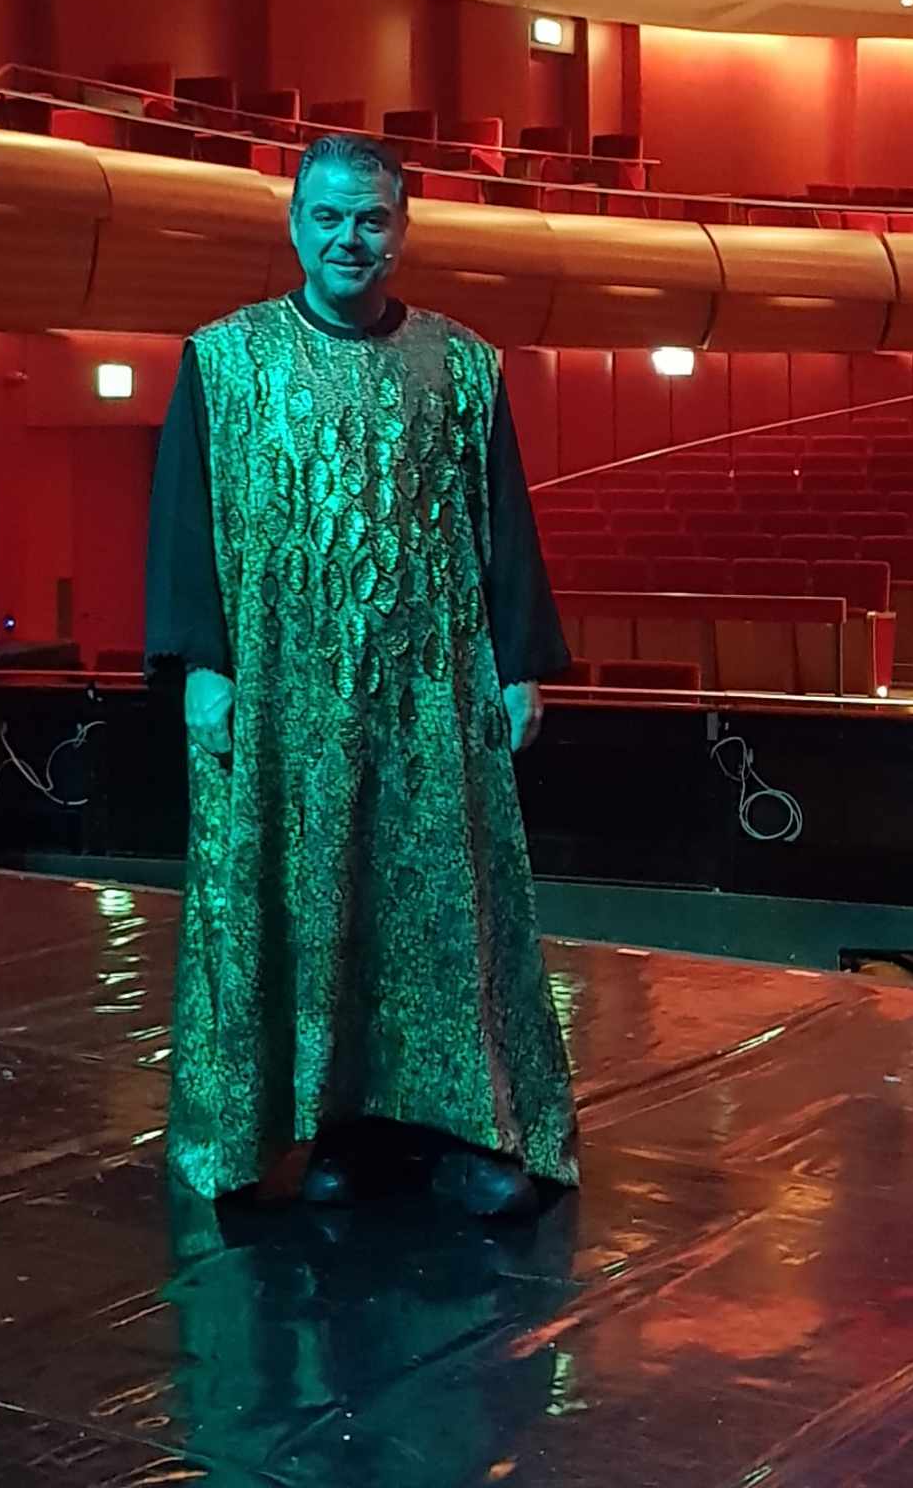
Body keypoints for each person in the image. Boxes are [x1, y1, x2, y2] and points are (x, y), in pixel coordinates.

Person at [145, 132, 578, 1219]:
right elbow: (183, 524)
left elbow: (503, 525)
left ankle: (459, 1127)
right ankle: (332, 1127)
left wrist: (519, 664)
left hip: (429, 693)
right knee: (307, 904)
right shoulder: (224, 359)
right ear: (295, 224)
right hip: (282, 693)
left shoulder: (461, 364)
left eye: (371, 218)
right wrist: (202, 662)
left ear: (401, 229)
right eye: (329, 216)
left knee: (438, 907)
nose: (350, 237)